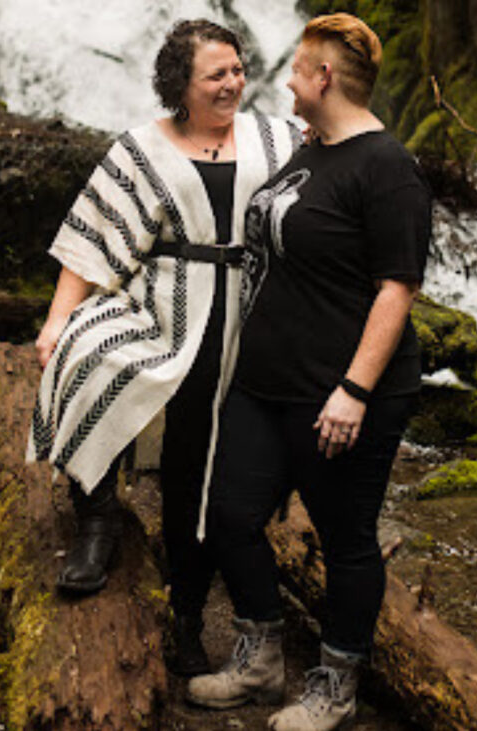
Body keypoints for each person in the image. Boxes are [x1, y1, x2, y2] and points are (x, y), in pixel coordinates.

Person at [27, 19, 300, 677]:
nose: (233, 82)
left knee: (196, 463)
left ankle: (185, 614)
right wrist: (58, 319)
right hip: (160, 308)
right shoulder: (141, 148)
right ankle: (97, 521)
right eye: (217, 74)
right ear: (181, 84)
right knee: (89, 358)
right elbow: (93, 238)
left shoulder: (277, 137)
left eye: (238, 69)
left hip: (247, 317)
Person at [187, 13, 431, 730]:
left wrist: (354, 390)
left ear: (324, 77)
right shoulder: (310, 149)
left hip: (342, 393)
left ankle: (335, 683)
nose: (285, 77)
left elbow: (398, 287)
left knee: (345, 538)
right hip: (264, 382)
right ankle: (260, 656)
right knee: (231, 513)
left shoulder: (388, 169)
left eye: (297, 67)